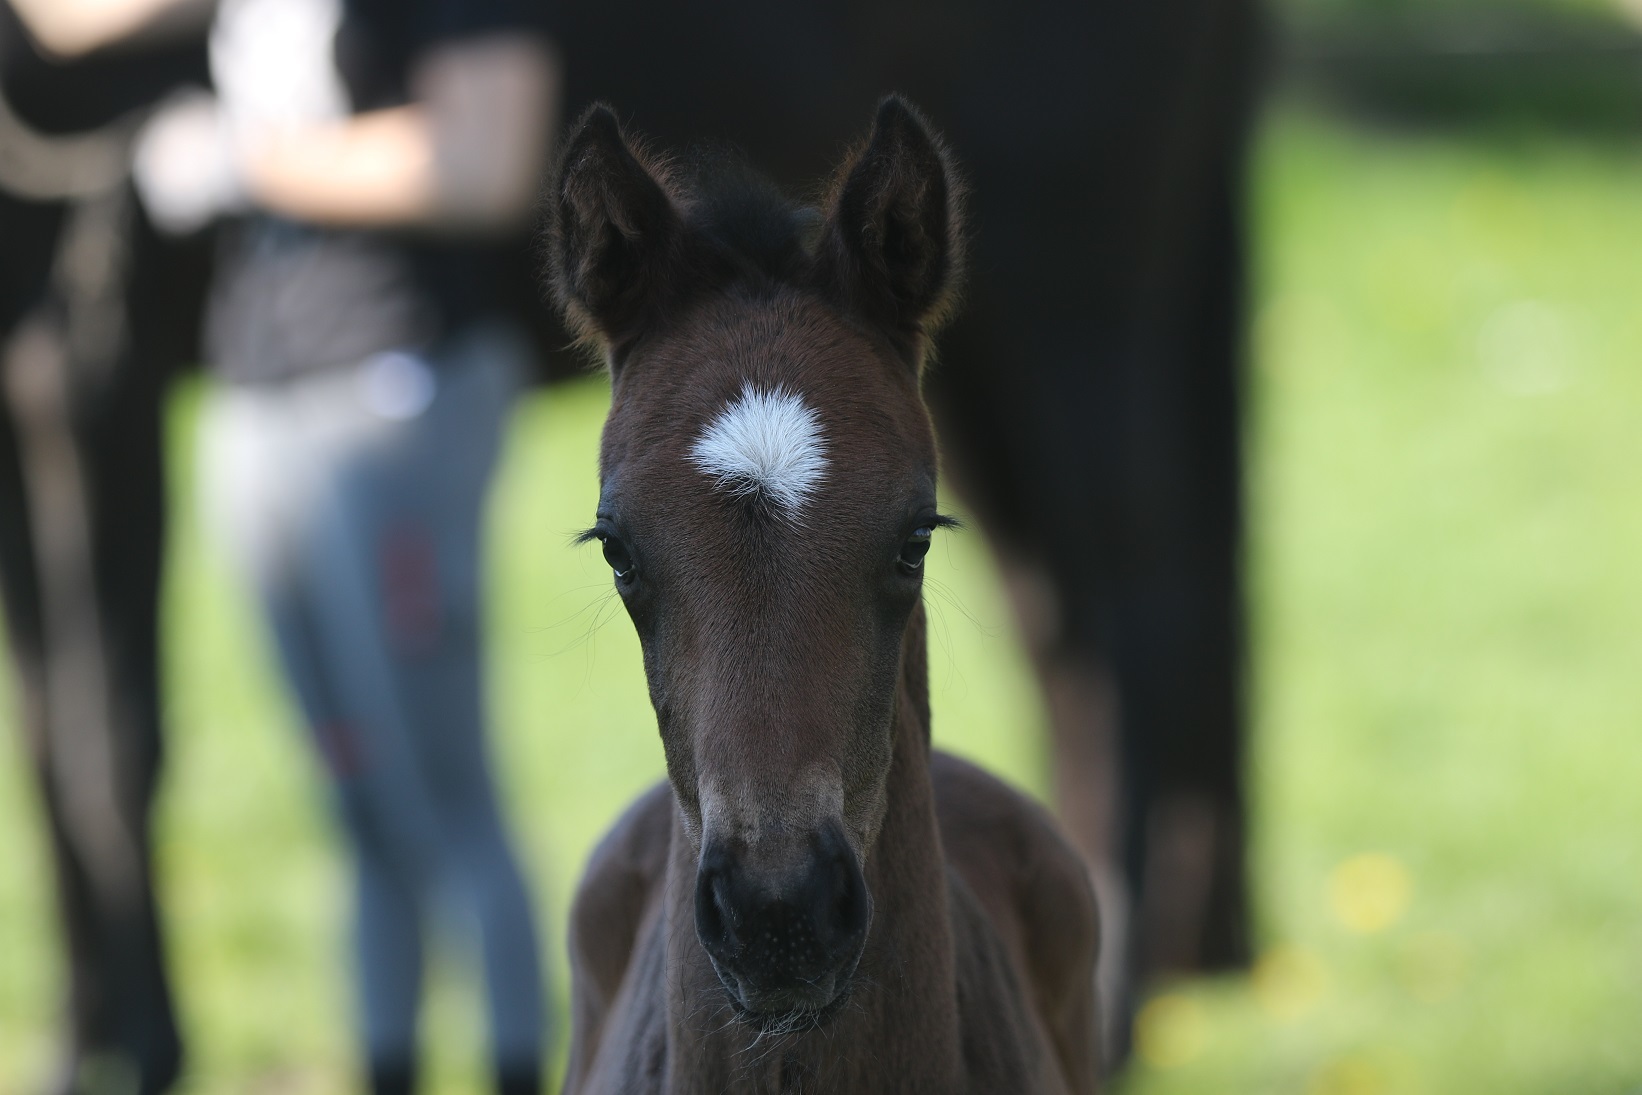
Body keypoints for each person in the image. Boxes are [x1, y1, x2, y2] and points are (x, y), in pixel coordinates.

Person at [131, 0, 562, 1090]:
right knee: (354, 801)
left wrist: (247, 161)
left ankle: (521, 1064)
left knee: (445, 798)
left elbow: (488, 161)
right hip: (255, 392)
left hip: (392, 386)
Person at [1, 3, 211, 1090]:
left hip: (76, 278)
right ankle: (109, 1007)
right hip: (47, 276)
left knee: (89, 685)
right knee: (61, 685)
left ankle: (125, 1013)